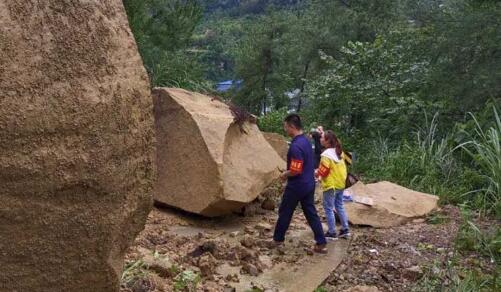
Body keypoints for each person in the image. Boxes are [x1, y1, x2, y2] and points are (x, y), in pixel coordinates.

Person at [273, 114, 327, 253]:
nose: (285, 130)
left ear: (292, 126)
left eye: (285, 127)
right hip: (309, 183)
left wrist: (285, 174)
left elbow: (296, 170)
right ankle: (321, 242)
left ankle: (278, 239)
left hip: (297, 185)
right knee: (310, 212)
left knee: (285, 211)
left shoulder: (295, 146)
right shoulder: (306, 141)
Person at [316, 130, 351, 240]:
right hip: (340, 184)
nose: (320, 139)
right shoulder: (339, 152)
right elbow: (348, 162)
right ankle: (345, 229)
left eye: (322, 138)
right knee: (339, 206)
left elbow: (324, 171)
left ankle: (332, 232)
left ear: (327, 141)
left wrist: (315, 173)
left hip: (331, 185)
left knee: (328, 208)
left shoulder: (326, 155)